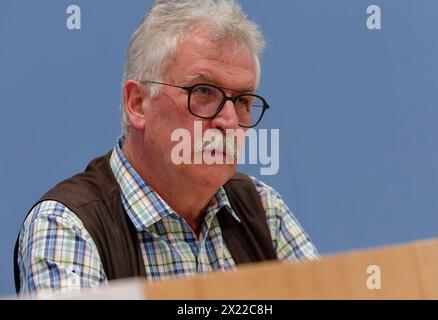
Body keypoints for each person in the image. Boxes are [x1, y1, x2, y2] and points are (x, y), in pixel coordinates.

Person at [14, 0, 319, 298]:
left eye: (242, 101)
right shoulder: (66, 227)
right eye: (203, 92)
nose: (228, 122)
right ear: (137, 104)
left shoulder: (264, 210)